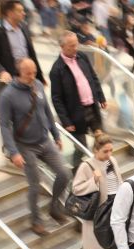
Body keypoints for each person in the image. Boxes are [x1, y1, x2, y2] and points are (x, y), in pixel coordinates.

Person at [0, 59, 70, 235]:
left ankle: (54, 207)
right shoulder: (8, 95)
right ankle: (35, 220)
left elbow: (46, 110)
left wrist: (56, 135)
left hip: (44, 141)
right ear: (19, 73)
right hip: (25, 146)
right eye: (28, 73)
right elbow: (4, 125)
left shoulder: (37, 84)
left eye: (34, 72)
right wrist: (13, 152)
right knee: (35, 184)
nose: (32, 76)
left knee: (64, 173)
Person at [72, 133, 128, 249]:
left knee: (110, 239)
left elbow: (119, 180)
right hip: (98, 210)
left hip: (113, 206)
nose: (109, 154)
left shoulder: (112, 160)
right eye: (105, 151)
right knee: (99, 240)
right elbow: (76, 188)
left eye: (111, 150)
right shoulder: (86, 166)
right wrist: (93, 180)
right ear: (96, 150)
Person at [50, 31, 107, 168]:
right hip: (75, 114)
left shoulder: (82, 57)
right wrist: (66, 121)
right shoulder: (57, 69)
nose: (76, 48)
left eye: (76, 44)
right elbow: (56, 98)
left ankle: (101, 169)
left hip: (92, 107)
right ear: (62, 47)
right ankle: (76, 174)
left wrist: (101, 96)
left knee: (102, 141)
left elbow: (93, 77)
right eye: (71, 46)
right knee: (81, 148)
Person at [0, 0, 45, 86]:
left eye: (23, 10)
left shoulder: (24, 27)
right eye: (20, 11)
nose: (24, 13)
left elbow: (32, 54)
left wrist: (40, 77)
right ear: (10, 13)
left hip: (29, 76)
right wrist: (2, 72)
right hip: (11, 79)